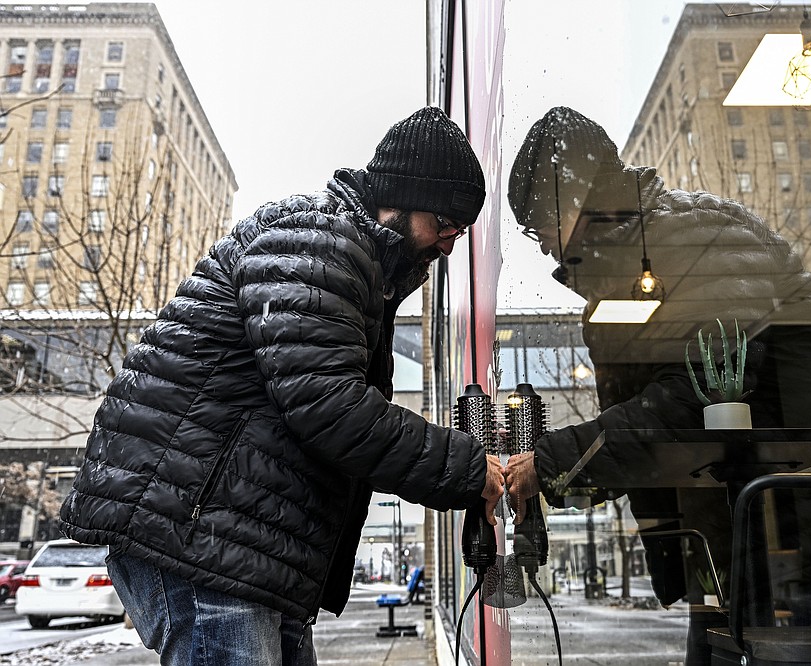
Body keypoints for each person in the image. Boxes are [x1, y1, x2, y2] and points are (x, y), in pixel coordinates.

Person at [59, 106, 505, 666]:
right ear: (402, 198)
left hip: (243, 543)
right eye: (445, 223)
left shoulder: (354, 259)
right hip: (200, 537)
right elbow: (330, 407)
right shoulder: (319, 242)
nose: (449, 242)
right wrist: (467, 468)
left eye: (459, 230)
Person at [502, 106, 811, 664]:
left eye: (536, 221)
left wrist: (555, 461)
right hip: (757, 523)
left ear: (571, 199)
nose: (538, 241)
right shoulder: (634, 263)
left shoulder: (686, 239)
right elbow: (668, 423)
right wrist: (565, 475)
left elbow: (696, 404)